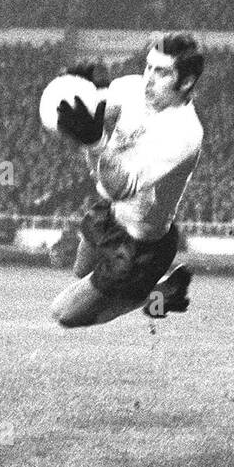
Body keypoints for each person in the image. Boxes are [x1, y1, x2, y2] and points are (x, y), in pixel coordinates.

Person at [49, 33, 203, 328]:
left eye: (162, 72)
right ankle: (159, 292)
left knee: (64, 314)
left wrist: (92, 143)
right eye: (148, 67)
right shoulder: (129, 89)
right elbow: (95, 120)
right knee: (81, 271)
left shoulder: (183, 133)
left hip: (139, 243)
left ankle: (157, 292)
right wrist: (81, 92)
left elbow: (117, 187)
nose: (148, 78)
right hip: (109, 212)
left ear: (185, 83)